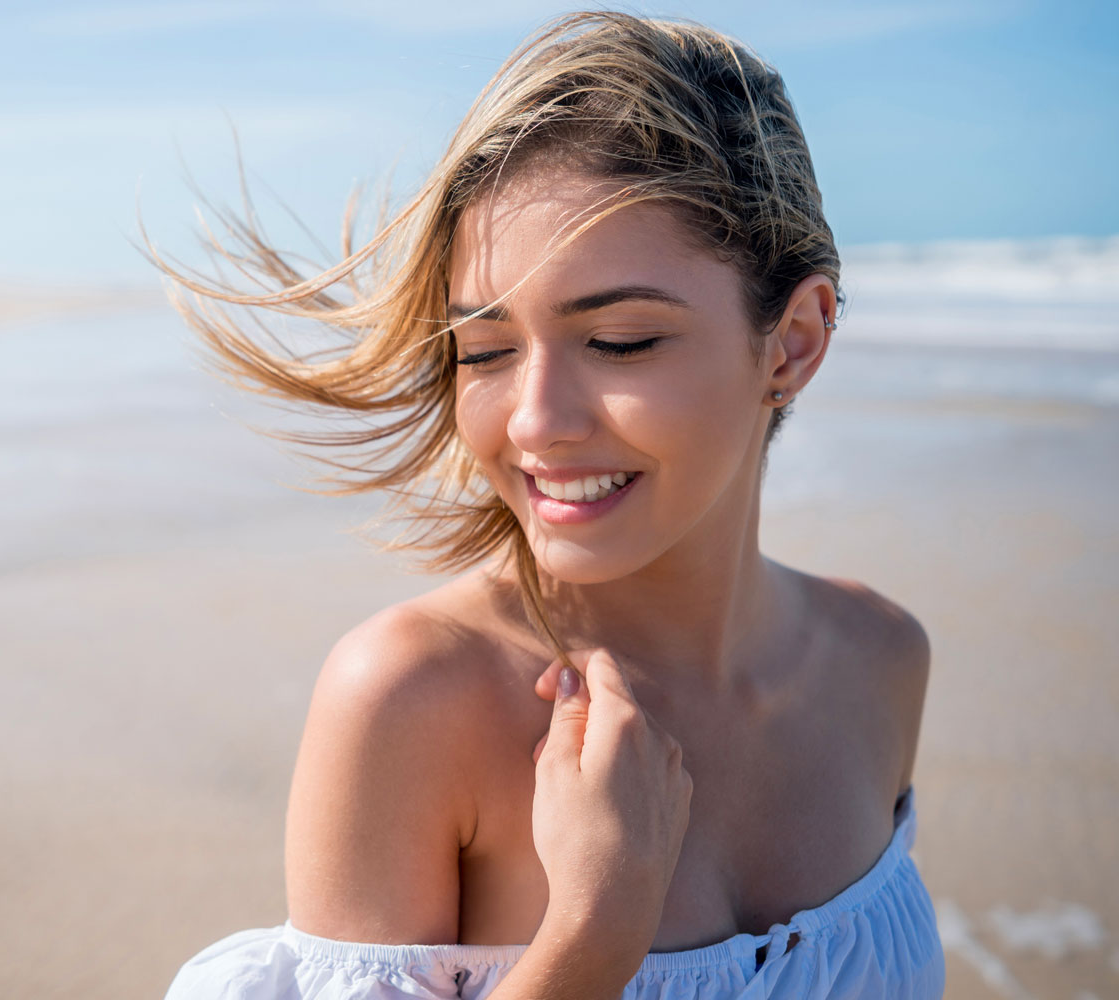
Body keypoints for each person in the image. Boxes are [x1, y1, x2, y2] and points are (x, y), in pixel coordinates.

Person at [155, 10, 943, 1000]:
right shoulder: (410, 700)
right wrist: (591, 934)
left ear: (790, 344)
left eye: (617, 342)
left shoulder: (878, 658)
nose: (533, 420)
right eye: (483, 351)